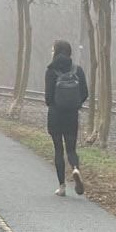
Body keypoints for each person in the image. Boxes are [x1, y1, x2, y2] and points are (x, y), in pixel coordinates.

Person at [42, 38, 88, 196]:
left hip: (55, 115)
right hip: (71, 116)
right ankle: (75, 168)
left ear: (56, 52)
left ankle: (62, 187)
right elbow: (85, 93)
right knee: (71, 148)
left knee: (58, 150)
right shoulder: (77, 70)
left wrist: (55, 104)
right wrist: (75, 105)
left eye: (53, 49)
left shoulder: (51, 70)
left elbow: (48, 98)